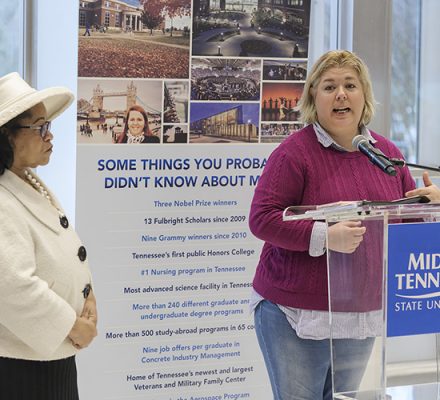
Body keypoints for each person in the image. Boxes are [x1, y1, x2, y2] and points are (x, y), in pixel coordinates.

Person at [248, 50, 440, 400]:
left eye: (350, 85)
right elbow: (262, 219)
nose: (341, 94)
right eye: (329, 87)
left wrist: (430, 206)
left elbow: (401, 222)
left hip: (360, 312)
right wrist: (324, 235)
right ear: (313, 98)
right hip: (295, 315)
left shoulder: (386, 154)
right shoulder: (293, 154)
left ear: (364, 95)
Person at [0, 72, 97, 399]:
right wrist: (72, 325)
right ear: (8, 136)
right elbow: (11, 286)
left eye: (49, 126)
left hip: (51, 357)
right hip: (22, 368)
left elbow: (65, 252)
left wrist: (87, 298)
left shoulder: (26, 181)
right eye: (40, 127)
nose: (50, 135)